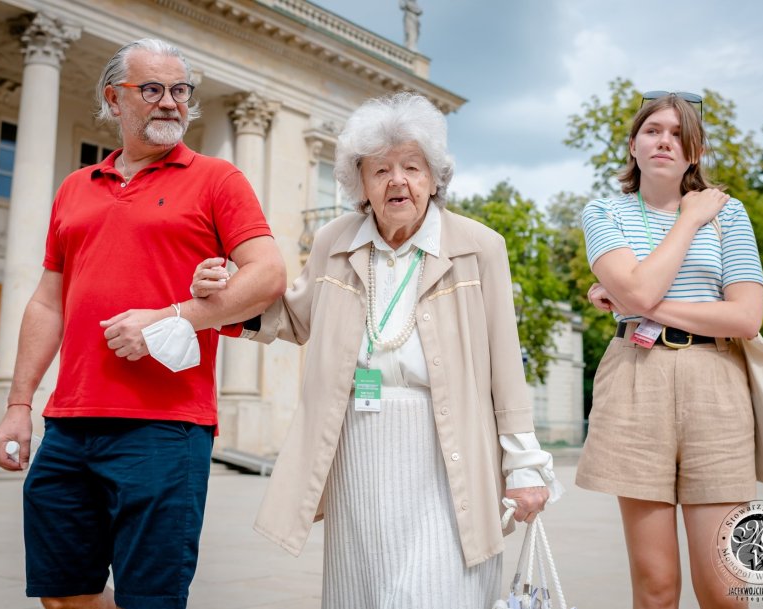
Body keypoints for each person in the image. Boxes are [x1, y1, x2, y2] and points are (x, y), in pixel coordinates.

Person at [191, 92, 562, 608]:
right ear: (359, 183)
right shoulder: (334, 242)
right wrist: (230, 291)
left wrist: (524, 465)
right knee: (362, 591)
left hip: (446, 447)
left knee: (433, 592)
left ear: (434, 176)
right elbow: (294, 316)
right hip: (357, 446)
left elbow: (505, 361)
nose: (398, 181)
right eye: (380, 169)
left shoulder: (479, 246)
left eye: (412, 166)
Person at [0, 38, 286, 609]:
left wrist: (171, 317)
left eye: (180, 91)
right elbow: (48, 302)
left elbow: (268, 274)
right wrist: (18, 405)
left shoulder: (217, 179)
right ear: (113, 99)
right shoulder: (75, 188)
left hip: (164, 429)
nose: (171, 102)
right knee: (63, 594)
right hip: (69, 425)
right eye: (152, 89)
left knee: (150, 598)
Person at [579, 91, 763, 609]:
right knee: (657, 588)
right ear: (633, 144)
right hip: (636, 377)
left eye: (680, 134)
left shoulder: (730, 214)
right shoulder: (604, 212)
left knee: (726, 588)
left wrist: (632, 300)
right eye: (654, 130)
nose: (666, 140)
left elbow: (746, 318)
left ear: (695, 151)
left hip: (716, 382)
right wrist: (687, 220)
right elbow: (635, 295)